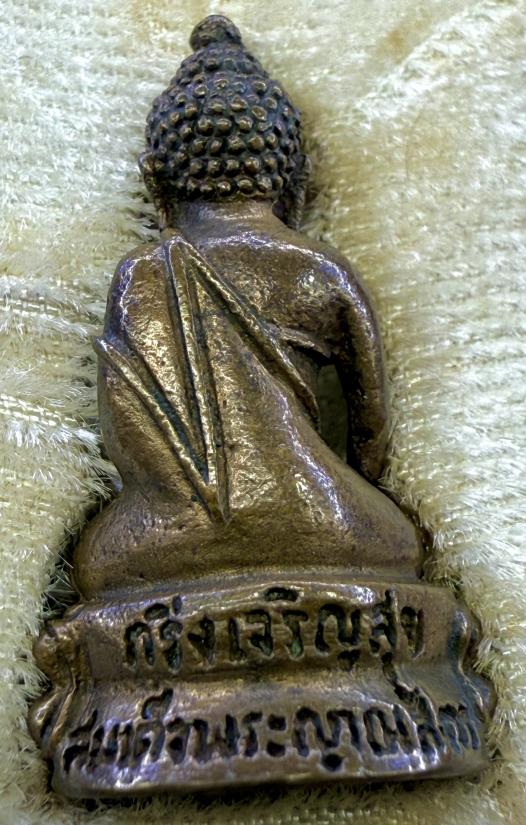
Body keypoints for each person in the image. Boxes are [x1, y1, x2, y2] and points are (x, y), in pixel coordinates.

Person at [74, 16, 422, 599]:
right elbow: (372, 433)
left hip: (173, 537)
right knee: (397, 539)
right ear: (293, 176)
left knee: (100, 559)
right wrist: (354, 492)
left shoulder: (142, 274)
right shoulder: (322, 270)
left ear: (156, 180)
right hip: (323, 518)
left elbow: (125, 440)